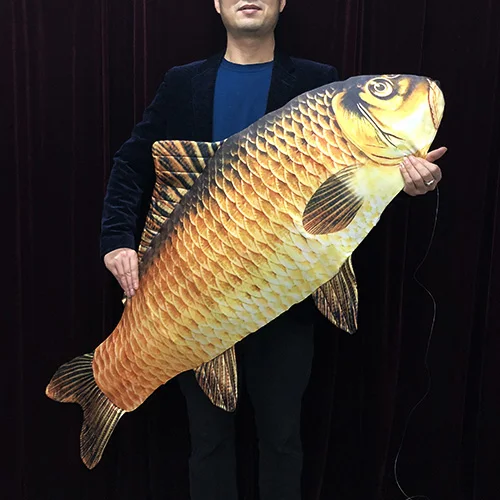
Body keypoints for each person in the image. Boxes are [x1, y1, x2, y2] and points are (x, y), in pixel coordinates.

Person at [100, 1, 446, 498]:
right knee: (208, 443)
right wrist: (117, 240)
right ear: (217, 4)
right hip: (195, 290)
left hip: (282, 291)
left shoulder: (318, 81)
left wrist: (407, 180)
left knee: (283, 439)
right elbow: (133, 164)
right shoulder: (182, 82)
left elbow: (351, 192)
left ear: (283, 3)